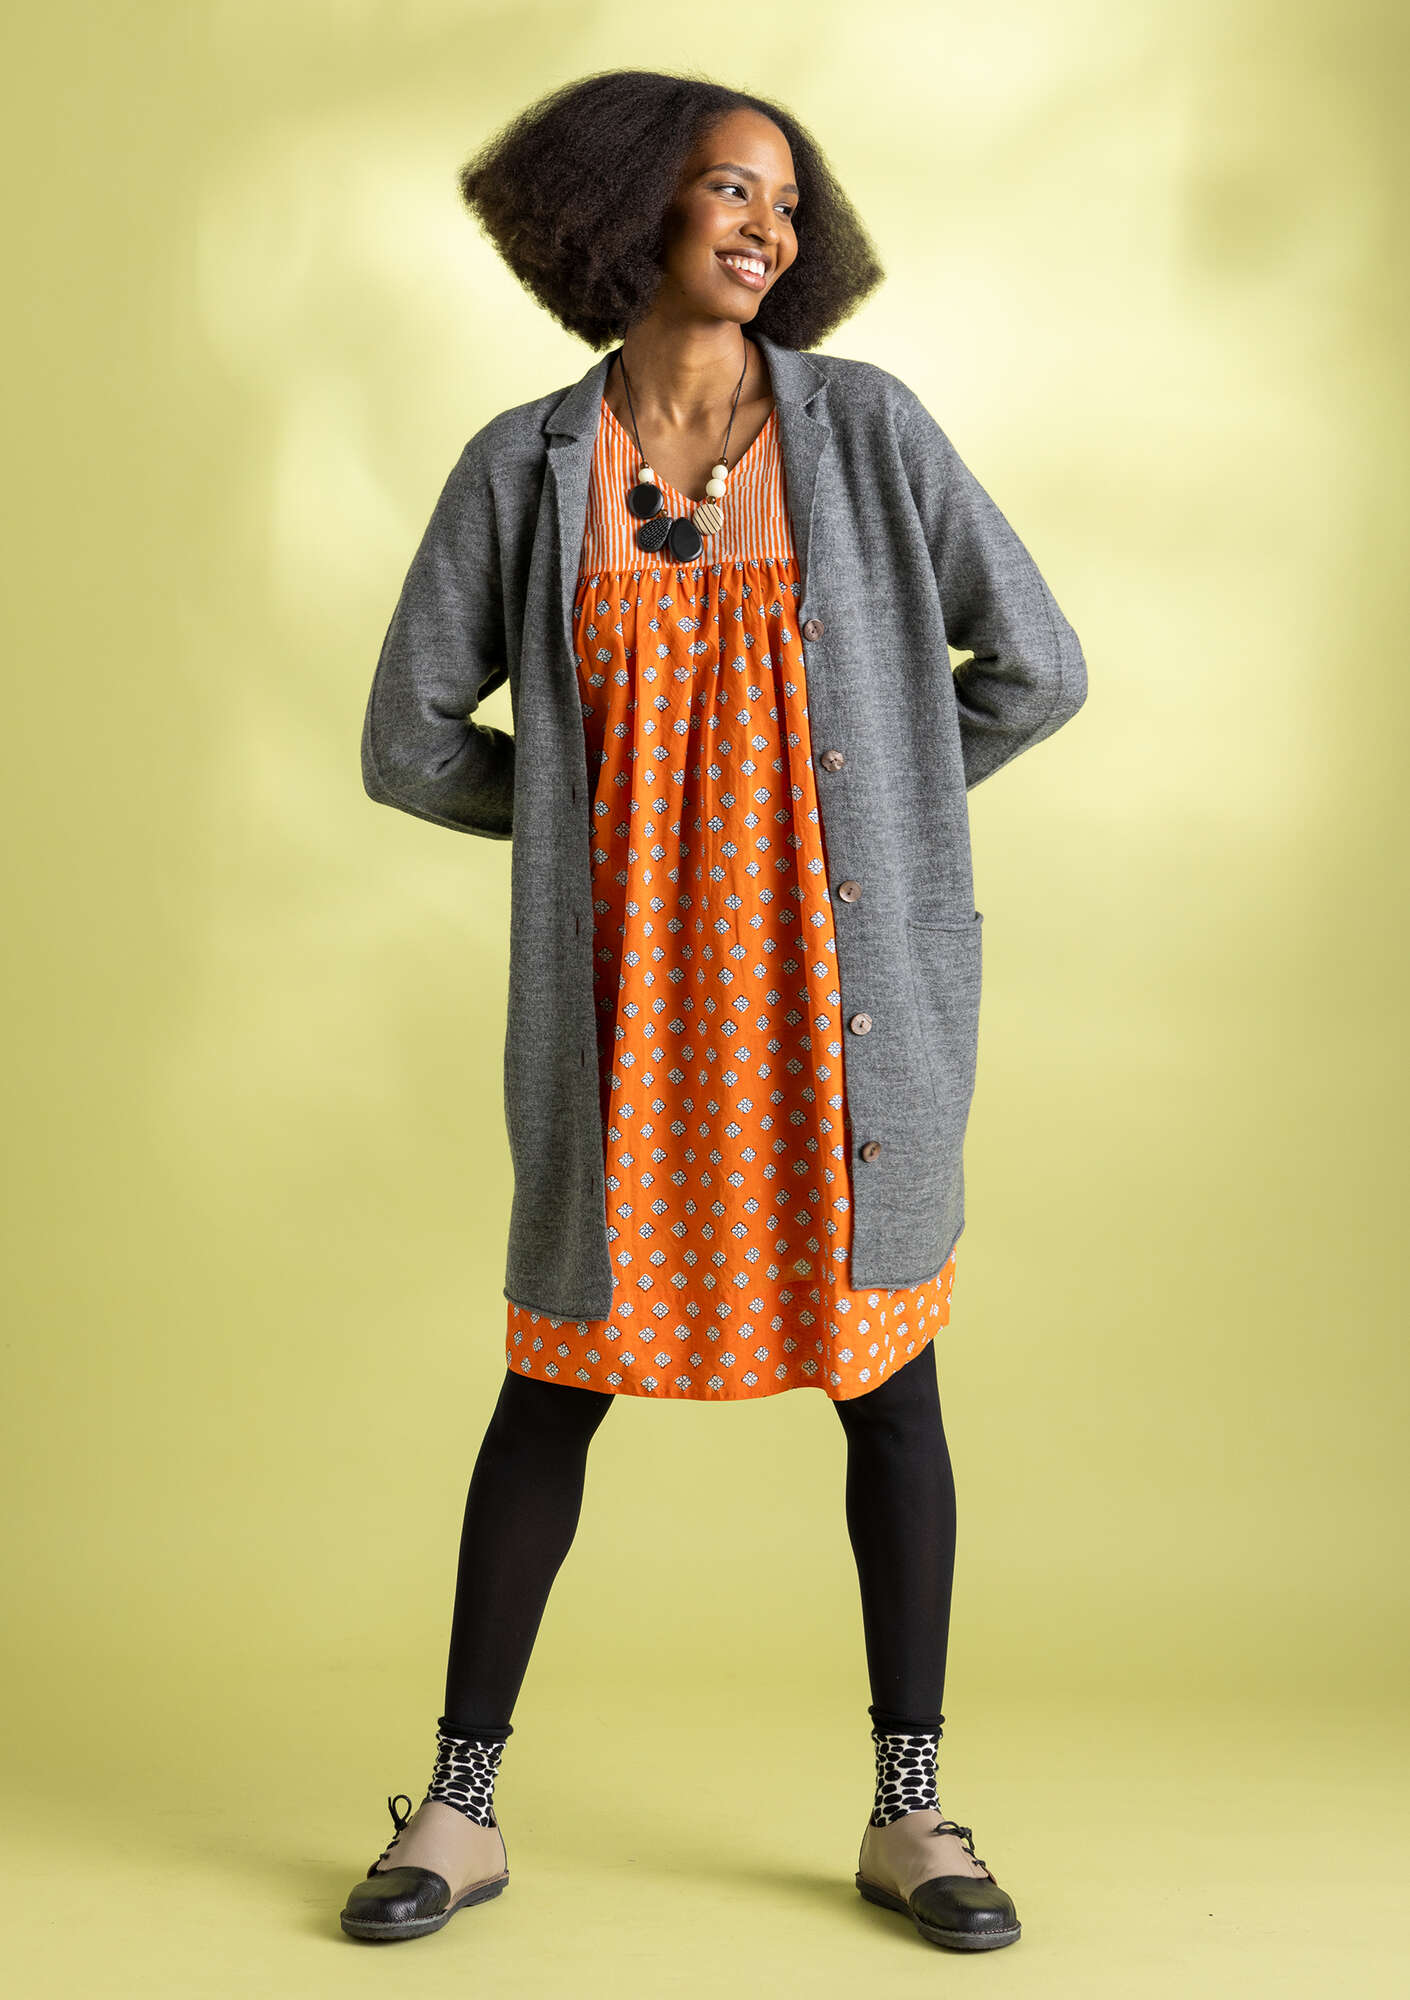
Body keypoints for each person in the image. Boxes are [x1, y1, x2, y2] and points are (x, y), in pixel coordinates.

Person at [341, 69, 1086, 1952]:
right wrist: (589, 825)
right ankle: (458, 1808)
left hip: (843, 1013)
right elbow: (408, 740)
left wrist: (870, 808)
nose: (766, 224)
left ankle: (912, 1812)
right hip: (622, 1016)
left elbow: (1035, 666)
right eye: (725, 188)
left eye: (784, 198)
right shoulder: (523, 467)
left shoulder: (867, 431)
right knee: (552, 1385)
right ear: (623, 208)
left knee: (888, 1390)